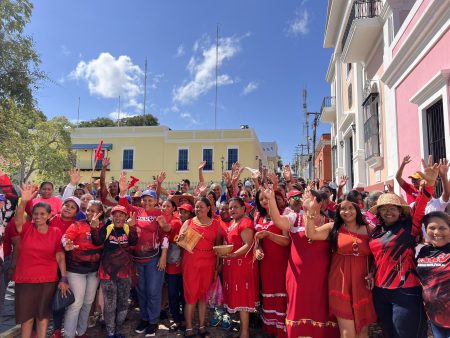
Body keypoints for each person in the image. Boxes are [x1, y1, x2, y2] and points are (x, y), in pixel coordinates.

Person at [368, 156, 440, 338]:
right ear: (379, 212)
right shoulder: (376, 231)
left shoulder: (410, 226)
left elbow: (422, 205)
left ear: (401, 211)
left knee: (406, 334)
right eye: (384, 208)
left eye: (393, 208)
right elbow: (375, 256)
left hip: (405, 290)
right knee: (389, 333)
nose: (388, 211)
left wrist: (430, 183)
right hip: (380, 290)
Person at [267, 187, 339, 338]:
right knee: (297, 308)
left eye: (309, 197)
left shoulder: (330, 222)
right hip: (297, 276)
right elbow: (279, 222)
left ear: (320, 203)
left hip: (322, 276)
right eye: (303, 198)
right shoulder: (295, 218)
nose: (304, 200)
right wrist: (271, 200)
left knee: (320, 308)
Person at [305, 196, 377, 337]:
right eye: (343, 208)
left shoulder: (369, 229)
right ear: (338, 211)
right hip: (340, 282)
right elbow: (311, 234)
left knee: (362, 330)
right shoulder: (334, 227)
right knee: (347, 332)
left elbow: (377, 254)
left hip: (363, 282)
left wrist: (373, 272)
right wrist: (309, 212)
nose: (347, 211)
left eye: (350, 207)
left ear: (357, 209)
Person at [13, 184, 69, 338]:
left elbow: (60, 256)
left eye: (42, 214)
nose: (38, 217)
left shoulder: (56, 232)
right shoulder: (26, 229)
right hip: (25, 281)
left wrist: (64, 278)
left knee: (43, 317)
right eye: (35, 214)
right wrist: (23, 201)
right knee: (27, 318)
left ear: (49, 215)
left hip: (48, 281)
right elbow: (18, 220)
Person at [118, 172, 169, 337]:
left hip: (153, 259)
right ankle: (145, 318)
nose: (147, 202)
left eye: (150, 200)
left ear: (155, 201)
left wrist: (163, 257)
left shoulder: (158, 215)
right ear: (141, 201)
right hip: (137, 260)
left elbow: (165, 235)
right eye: (144, 200)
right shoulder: (136, 211)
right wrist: (123, 192)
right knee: (141, 291)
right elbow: (123, 207)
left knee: (153, 291)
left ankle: (153, 321)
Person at [91, 205, 138, 338]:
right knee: (110, 304)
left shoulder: (128, 228)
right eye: (115, 215)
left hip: (125, 272)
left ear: (125, 217)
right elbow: (96, 241)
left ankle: (118, 329)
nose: (118, 218)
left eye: (121, 215)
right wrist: (94, 228)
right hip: (107, 273)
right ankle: (110, 331)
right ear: (111, 217)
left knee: (123, 303)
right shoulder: (107, 228)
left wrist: (133, 227)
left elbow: (134, 242)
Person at [178, 197, 222, 338]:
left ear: (209, 208)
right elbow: (180, 241)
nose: (198, 209)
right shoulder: (188, 222)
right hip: (191, 263)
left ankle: (202, 326)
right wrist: (182, 238)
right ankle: (189, 328)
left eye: (201, 207)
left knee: (203, 296)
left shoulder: (216, 224)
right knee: (190, 296)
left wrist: (217, 267)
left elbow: (219, 248)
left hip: (209, 263)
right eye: (196, 207)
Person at [61, 200, 104, 338]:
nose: (89, 213)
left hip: (94, 271)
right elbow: (66, 237)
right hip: (76, 270)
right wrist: (66, 244)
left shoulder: (104, 227)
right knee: (76, 304)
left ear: (100, 213)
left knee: (88, 303)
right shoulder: (77, 225)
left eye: (93, 211)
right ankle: (69, 335)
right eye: (88, 210)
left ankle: (81, 332)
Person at [220, 197, 259, 338]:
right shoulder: (232, 222)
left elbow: (248, 244)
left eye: (236, 207)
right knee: (238, 298)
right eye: (230, 207)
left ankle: (245, 333)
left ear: (243, 208)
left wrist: (233, 254)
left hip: (242, 266)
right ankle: (243, 331)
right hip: (233, 265)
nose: (232, 210)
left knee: (243, 298)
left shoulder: (246, 222)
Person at [253, 190, 290, 337]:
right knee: (268, 293)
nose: (264, 201)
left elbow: (286, 241)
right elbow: (257, 239)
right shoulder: (258, 216)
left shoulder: (284, 214)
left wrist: (269, 234)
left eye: (266, 197)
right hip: (266, 263)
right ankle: (271, 329)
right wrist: (258, 249)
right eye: (261, 199)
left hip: (282, 261)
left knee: (281, 293)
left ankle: (282, 330)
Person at [416, 211, 450, 338]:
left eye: (442, 228)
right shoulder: (424, 251)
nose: (436, 232)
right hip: (434, 315)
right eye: (432, 228)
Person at [159, 199, 184, 332]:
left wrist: (163, 224)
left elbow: (168, 228)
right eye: (163, 205)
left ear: (174, 209)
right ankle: (176, 317)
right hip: (164, 263)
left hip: (175, 264)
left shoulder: (175, 221)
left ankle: (179, 319)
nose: (165, 208)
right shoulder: (160, 218)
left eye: (168, 206)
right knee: (170, 291)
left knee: (174, 293)